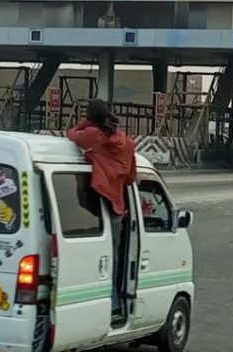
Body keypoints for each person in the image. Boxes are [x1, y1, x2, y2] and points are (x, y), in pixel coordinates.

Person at [65, 100, 137, 316]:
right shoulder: (124, 141)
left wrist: (85, 123)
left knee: (101, 258)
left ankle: (109, 301)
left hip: (94, 204)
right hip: (116, 205)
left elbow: (71, 133)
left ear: (90, 117)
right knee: (113, 255)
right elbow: (131, 176)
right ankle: (114, 301)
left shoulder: (93, 136)